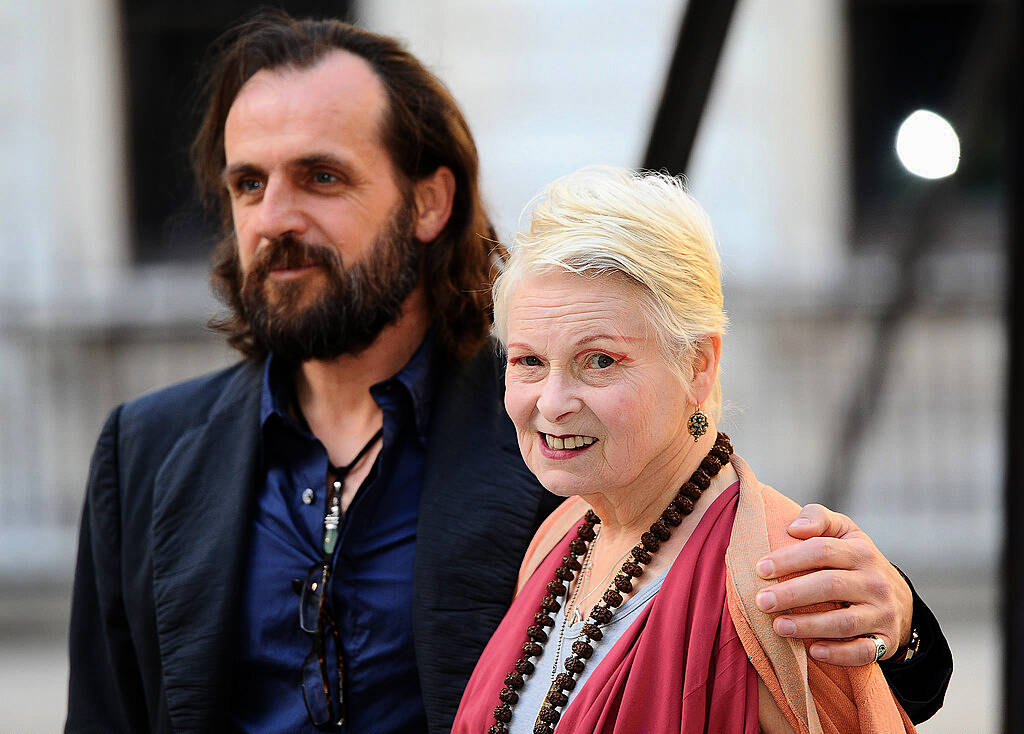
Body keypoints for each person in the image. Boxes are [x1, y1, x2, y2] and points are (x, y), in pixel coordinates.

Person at [64, 12, 949, 734]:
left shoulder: (551, 415)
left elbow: (783, 659)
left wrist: (896, 622)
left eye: (321, 177)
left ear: (429, 201)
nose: (275, 217)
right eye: (248, 183)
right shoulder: (145, 452)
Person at [452, 166, 943, 734]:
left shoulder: (779, 587)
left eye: (600, 360)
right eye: (529, 361)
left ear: (697, 364)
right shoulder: (558, 538)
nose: (553, 402)